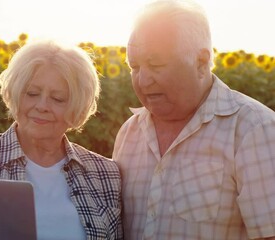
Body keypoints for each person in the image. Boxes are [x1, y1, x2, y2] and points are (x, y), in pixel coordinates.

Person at [113, 0, 275, 239]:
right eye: (134, 67)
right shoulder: (130, 133)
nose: (143, 80)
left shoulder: (253, 129)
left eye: (156, 64)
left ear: (200, 62)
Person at [0, 40, 123, 240]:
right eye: (32, 94)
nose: (42, 106)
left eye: (58, 99)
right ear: (15, 94)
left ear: (78, 106)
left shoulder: (106, 174)